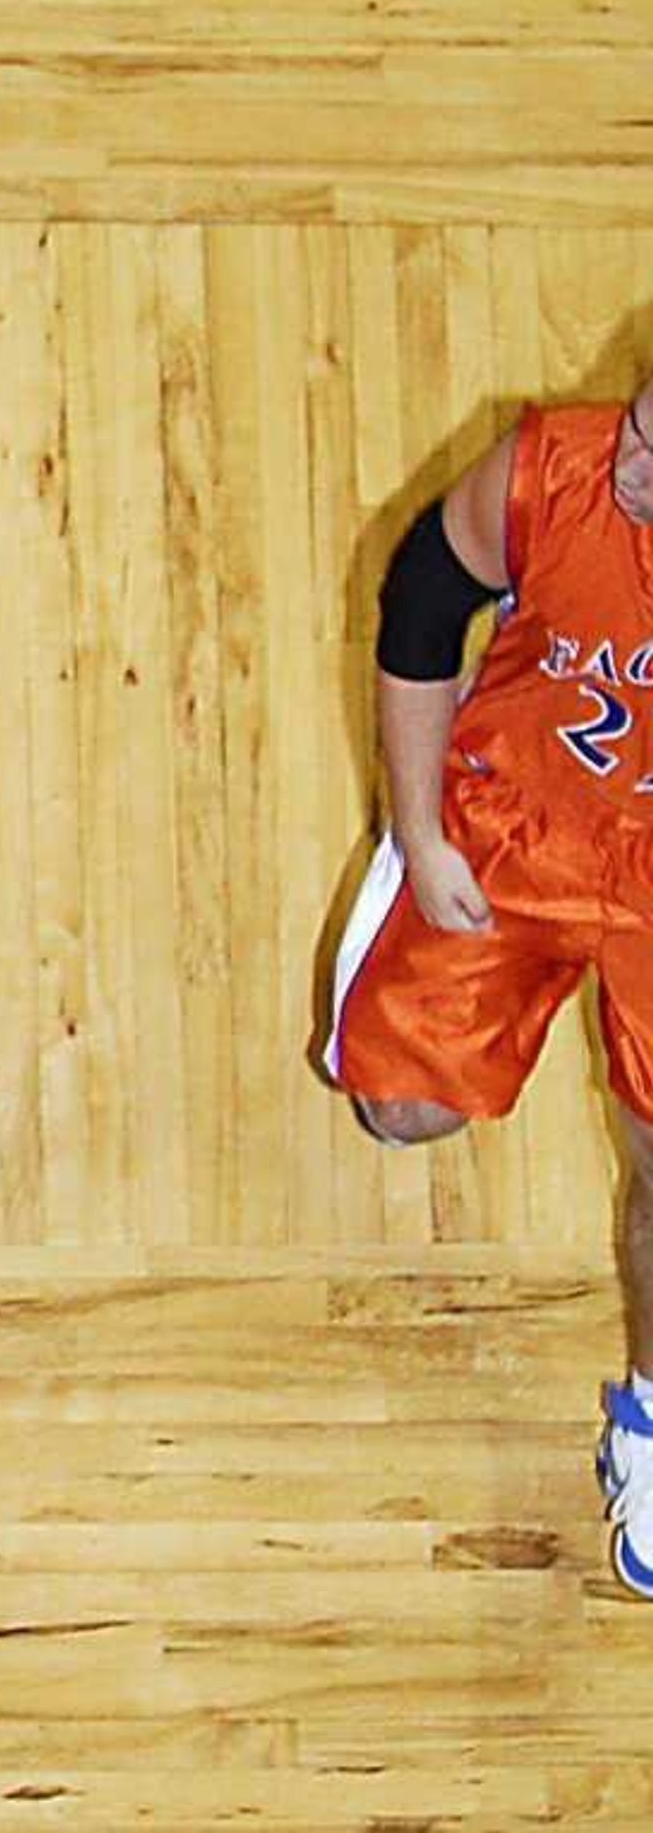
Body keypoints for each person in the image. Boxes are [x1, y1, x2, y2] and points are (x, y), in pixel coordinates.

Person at [326, 378, 653, 1596]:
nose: (630, 468)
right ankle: (399, 879)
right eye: (643, 429)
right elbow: (416, 606)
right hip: (512, 821)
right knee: (397, 1108)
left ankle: (651, 1419)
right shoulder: (550, 470)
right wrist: (420, 827)